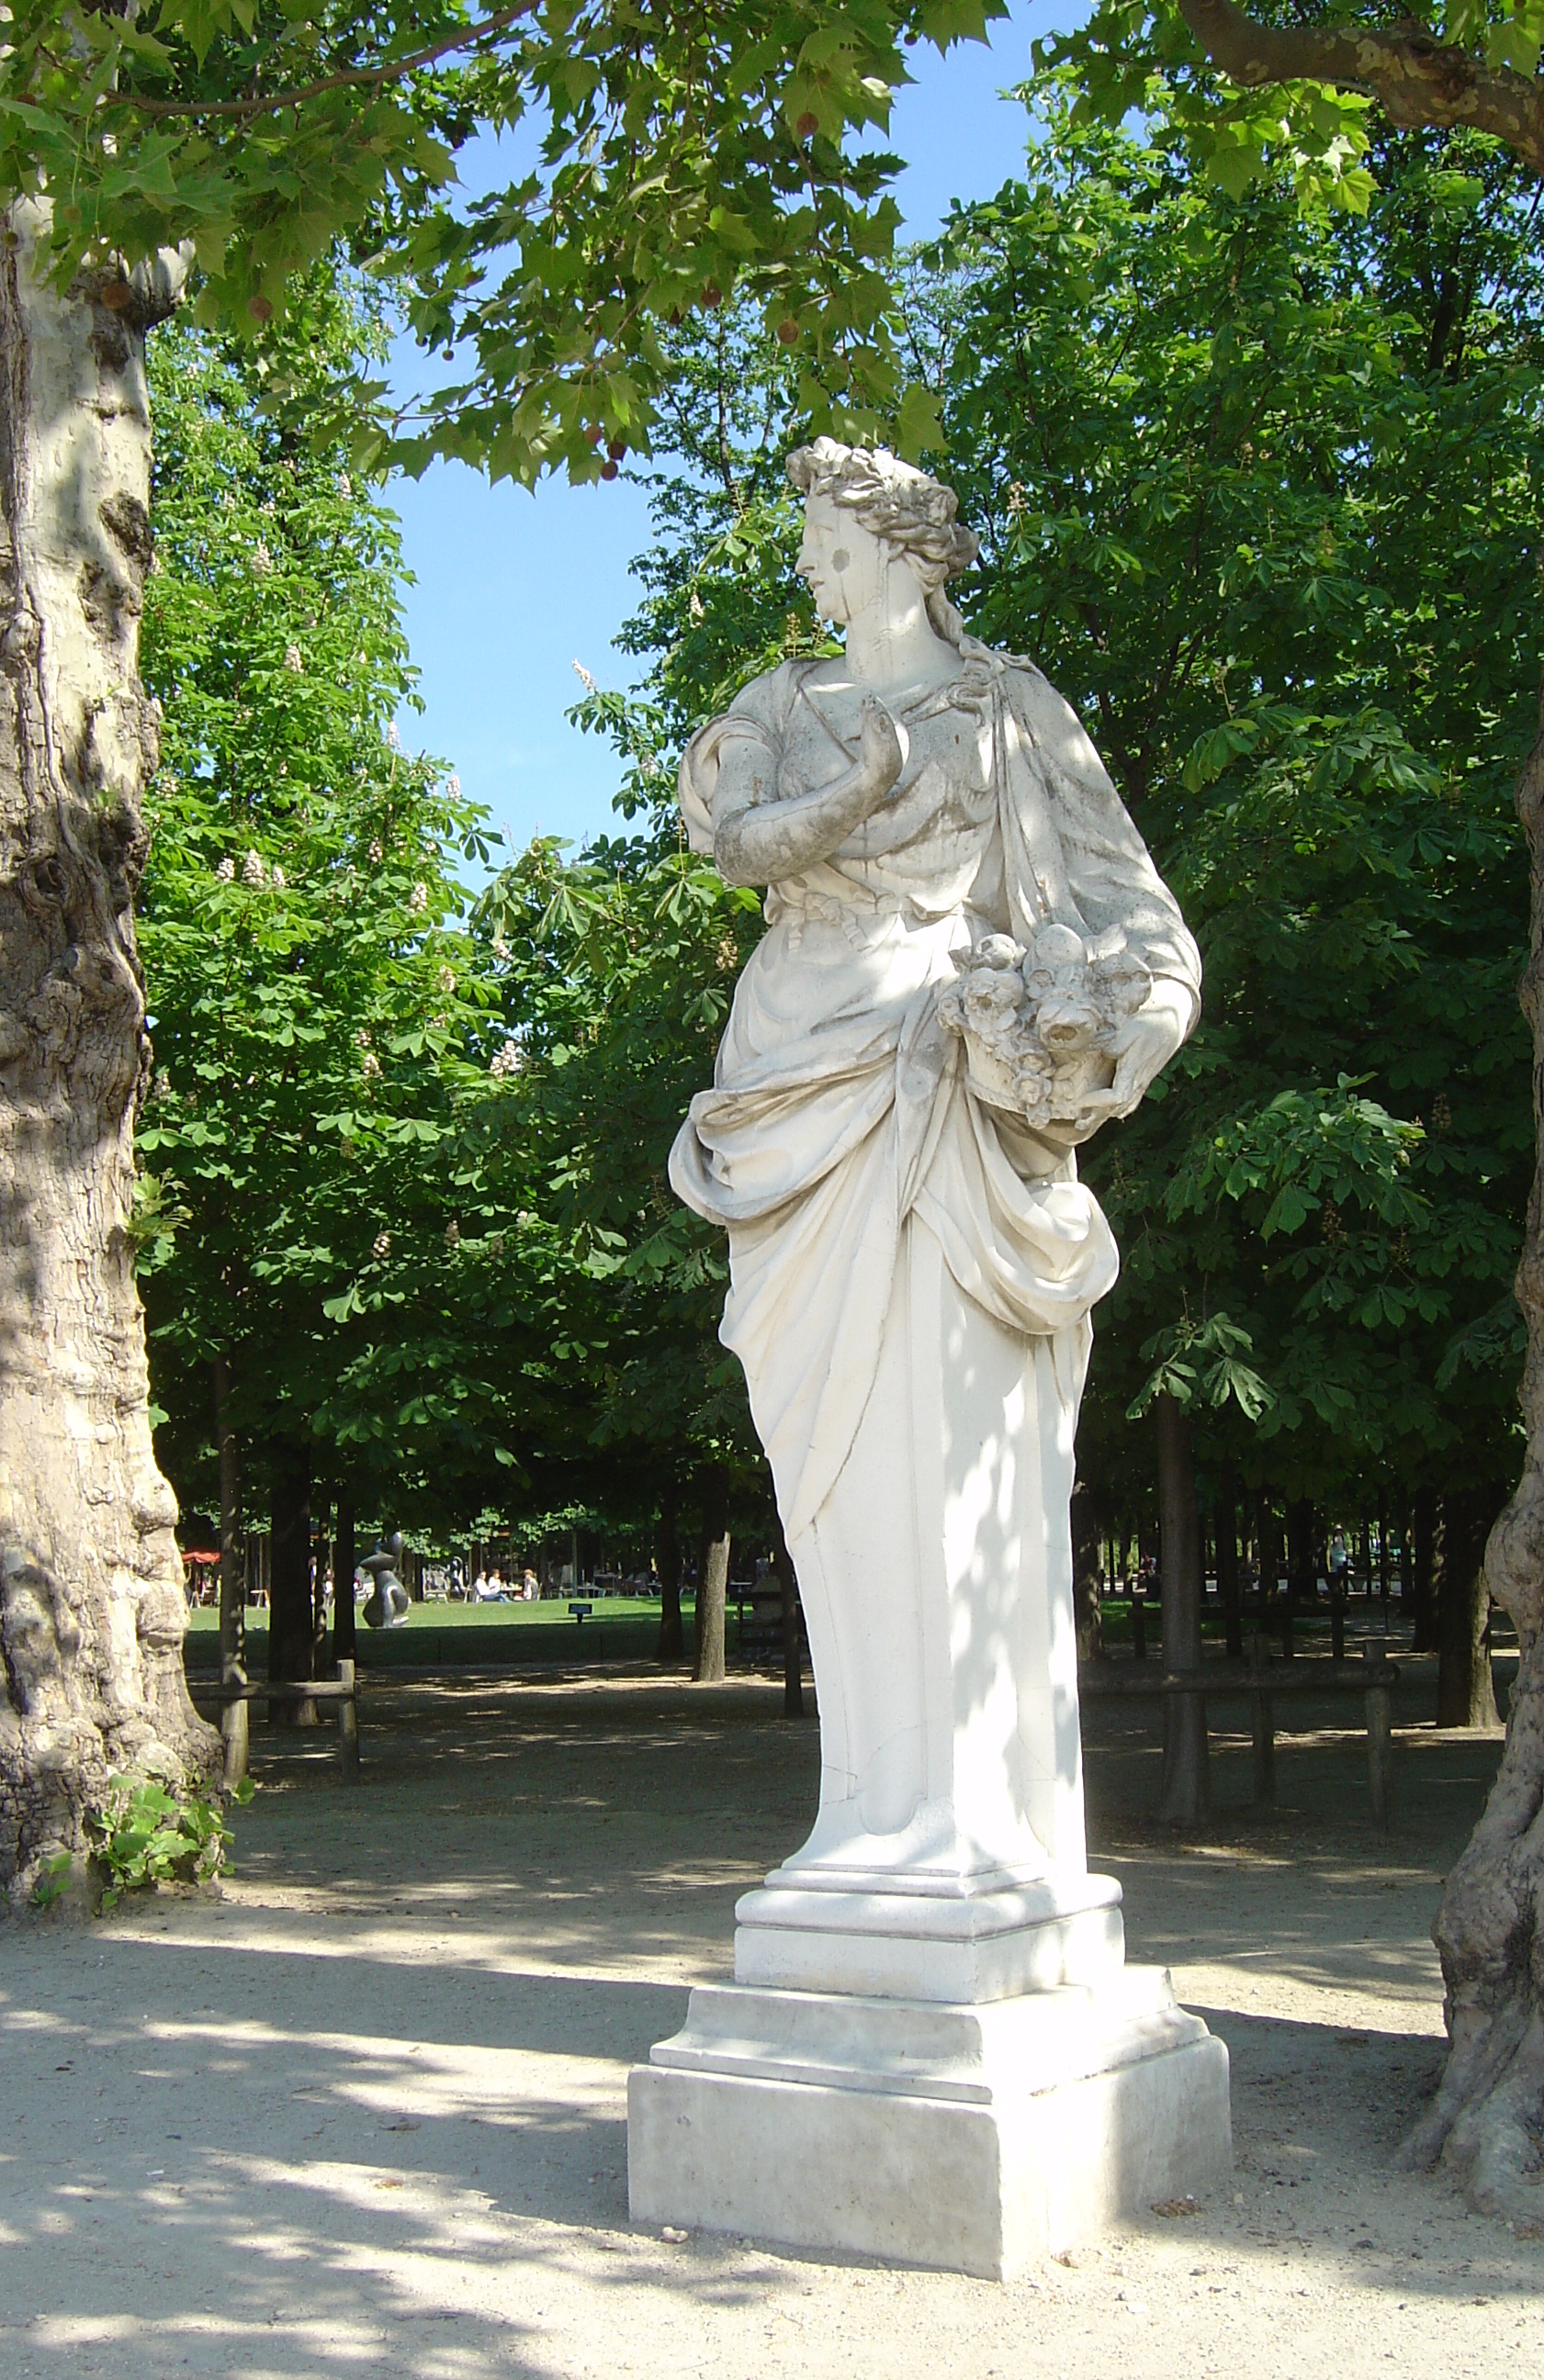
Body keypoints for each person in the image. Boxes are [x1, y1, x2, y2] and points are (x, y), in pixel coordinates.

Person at [671, 438, 1199, 1892]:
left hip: (951, 1092)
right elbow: (730, 838)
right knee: (823, 1465)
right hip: (795, 1080)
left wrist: (1135, 1031)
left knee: (960, 1453)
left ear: (900, 546)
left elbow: (1130, 912)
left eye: (827, 538)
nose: (806, 564)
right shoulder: (780, 705)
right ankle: (870, 1813)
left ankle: (976, 1823)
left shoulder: (1011, 709)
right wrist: (840, 801)